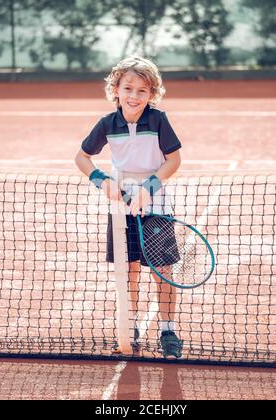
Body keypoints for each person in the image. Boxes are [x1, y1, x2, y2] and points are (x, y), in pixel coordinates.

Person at [75, 56, 183, 358]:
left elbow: (173, 160)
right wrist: (101, 180)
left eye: (142, 91)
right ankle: (131, 326)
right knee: (130, 269)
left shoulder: (158, 120)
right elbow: (81, 157)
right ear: (116, 89)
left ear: (151, 94)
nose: (134, 96)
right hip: (120, 208)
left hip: (157, 206)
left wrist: (150, 188)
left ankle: (168, 330)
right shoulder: (107, 124)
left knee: (163, 271)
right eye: (128, 89)